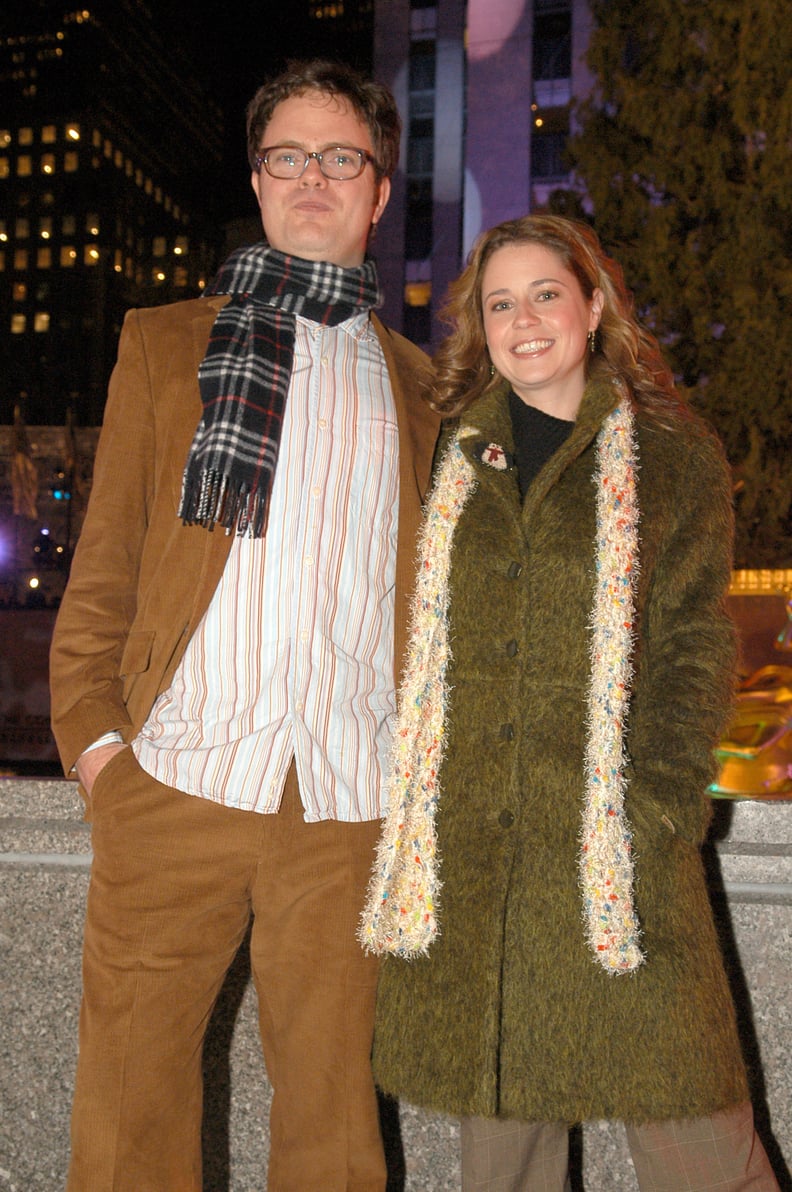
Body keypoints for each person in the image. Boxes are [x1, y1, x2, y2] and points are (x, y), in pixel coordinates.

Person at [49, 59, 439, 1191]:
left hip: (349, 804)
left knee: (335, 1132)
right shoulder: (166, 342)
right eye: (288, 156)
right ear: (258, 180)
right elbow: (106, 571)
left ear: (377, 191)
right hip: (172, 780)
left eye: (341, 158)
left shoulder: (425, 388)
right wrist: (101, 755)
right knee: (128, 1116)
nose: (312, 177)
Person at [361, 214, 779, 1190]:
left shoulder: (671, 455)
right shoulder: (451, 455)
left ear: (593, 305)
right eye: (499, 303)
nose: (524, 319)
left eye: (546, 292)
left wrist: (658, 805)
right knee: (506, 1162)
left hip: (617, 859)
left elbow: (694, 643)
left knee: (702, 1146)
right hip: (488, 860)